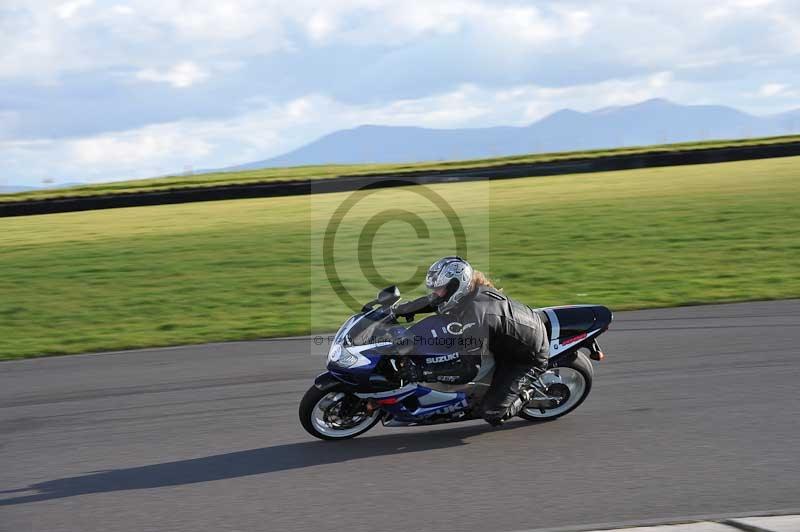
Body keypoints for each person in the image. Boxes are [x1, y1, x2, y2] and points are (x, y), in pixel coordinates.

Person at [392, 256, 550, 426]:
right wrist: (399, 310)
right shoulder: (468, 292)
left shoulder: (475, 317)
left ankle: (527, 394)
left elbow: (468, 371)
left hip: (526, 357)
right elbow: (436, 300)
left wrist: (423, 373)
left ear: (456, 287)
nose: (435, 293)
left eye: (439, 289)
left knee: (492, 413)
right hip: (510, 338)